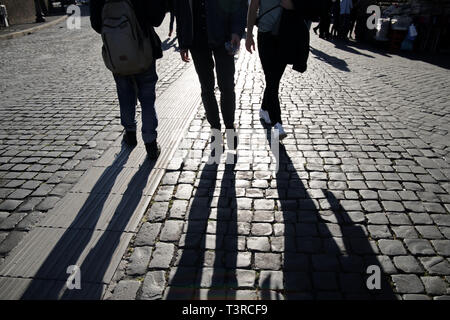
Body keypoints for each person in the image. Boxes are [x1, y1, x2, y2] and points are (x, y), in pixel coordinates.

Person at [90, 0, 167, 159]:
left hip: (117, 53)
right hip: (143, 52)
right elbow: (157, 19)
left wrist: (117, 32)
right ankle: (150, 143)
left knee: (124, 95)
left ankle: (130, 133)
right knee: (147, 99)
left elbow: (96, 24)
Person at [175, 0, 247, 154]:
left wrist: (236, 31)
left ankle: (229, 126)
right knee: (206, 88)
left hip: (223, 36)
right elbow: (181, 11)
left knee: (226, 86)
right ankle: (215, 129)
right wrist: (183, 41)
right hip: (196, 40)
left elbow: (239, 4)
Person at [245, 0, 298, 140]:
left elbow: (306, 6)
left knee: (274, 79)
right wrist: (249, 34)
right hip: (265, 35)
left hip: (286, 36)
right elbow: (253, 8)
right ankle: (277, 123)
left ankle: (264, 109)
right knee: (271, 78)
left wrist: (293, 5)